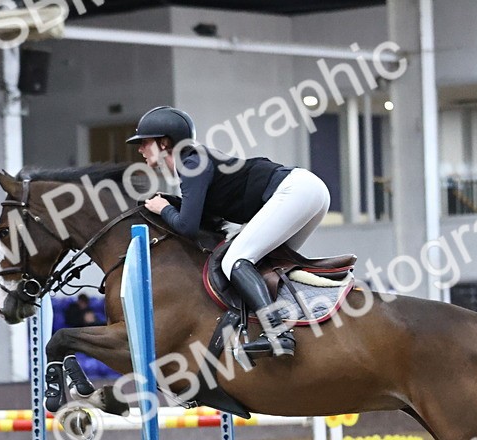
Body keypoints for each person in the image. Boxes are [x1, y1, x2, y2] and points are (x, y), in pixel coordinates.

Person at [128, 106, 330, 359]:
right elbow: (205, 219)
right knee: (268, 264)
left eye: (144, 143)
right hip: (311, 192)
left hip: (296, 191)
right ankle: (292, 323)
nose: (139, 150)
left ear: (164, 142)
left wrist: (165, 208)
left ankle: (278, 333)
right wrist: (170, 205)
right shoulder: (195, 161)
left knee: (235, 260)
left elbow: (187, 227)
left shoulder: (192, 163)